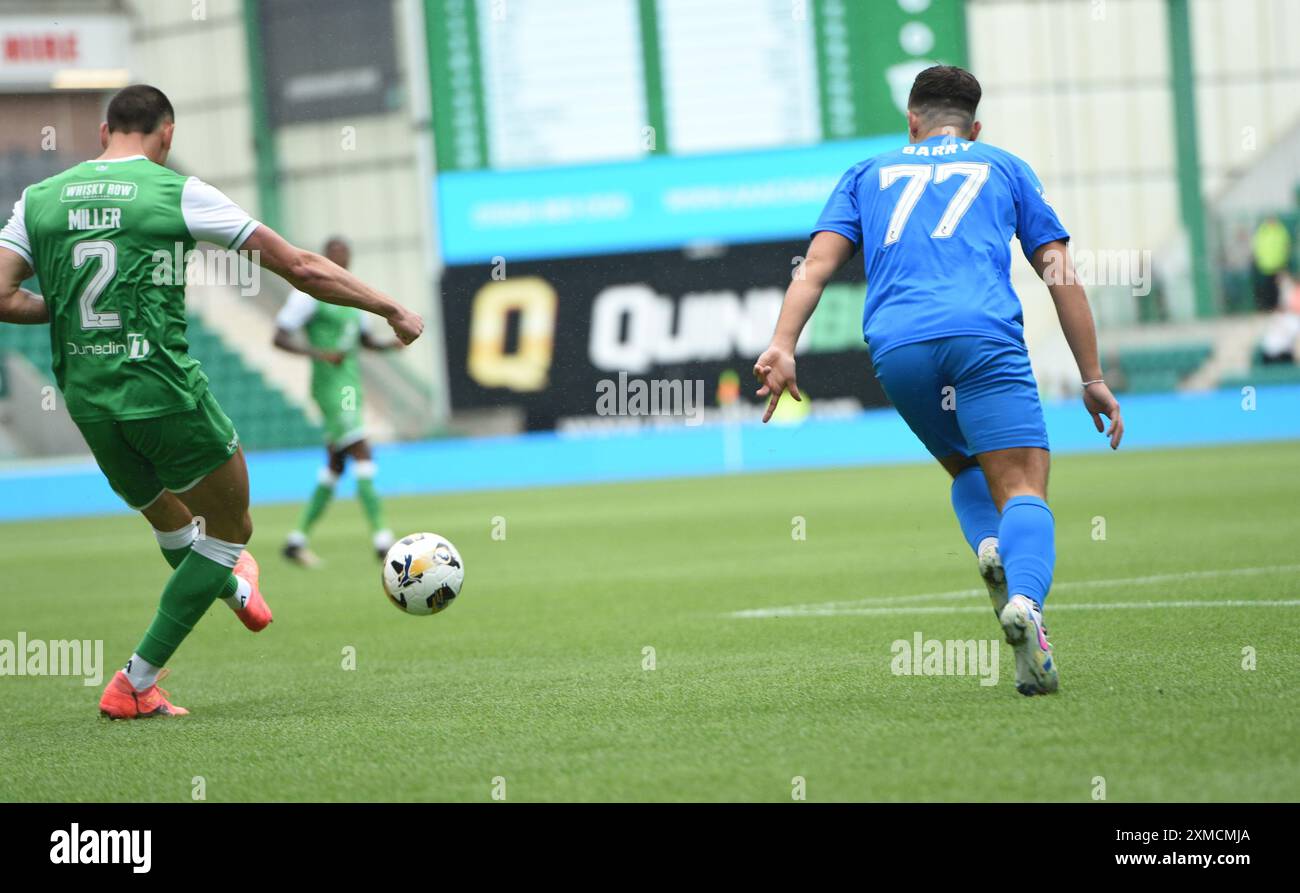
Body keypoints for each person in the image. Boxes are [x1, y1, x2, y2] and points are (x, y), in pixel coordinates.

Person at [0, 85, 423, 718]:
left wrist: (62, 311)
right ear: (166, 135)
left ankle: (228, 587)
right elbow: (301, 268)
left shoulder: (39, 198)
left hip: (87, 399)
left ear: (100, 131)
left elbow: (3, 297)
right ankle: (135, 682)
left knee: (171, 521)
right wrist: (389, 306)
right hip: (162, 390)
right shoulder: (176, 190)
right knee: (232, 528)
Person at [753, 66, 1123, 696]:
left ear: (911, 121)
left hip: (898, 348)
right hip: (980, 336)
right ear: (973, 128)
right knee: (1024, 481)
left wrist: (783, 344)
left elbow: (813, 268)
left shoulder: (866, 174)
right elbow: (1058, 271)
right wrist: (1090, 375)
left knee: (968, 469)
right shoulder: (1002, 166)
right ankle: (1027, 606)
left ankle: (989, 544)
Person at [273, 236, 401, 566]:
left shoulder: (354, 296)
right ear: (323, 259)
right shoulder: (308, 294)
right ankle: (382, 540)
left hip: (351, 386)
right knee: (362, 451)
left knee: (336, 464)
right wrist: (318, 353)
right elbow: (280, 337)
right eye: (333, 258)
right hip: (332, 389)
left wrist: (390, 344)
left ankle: (296, 540)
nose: (339, 265)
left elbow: (364, 340)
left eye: (345, 259)